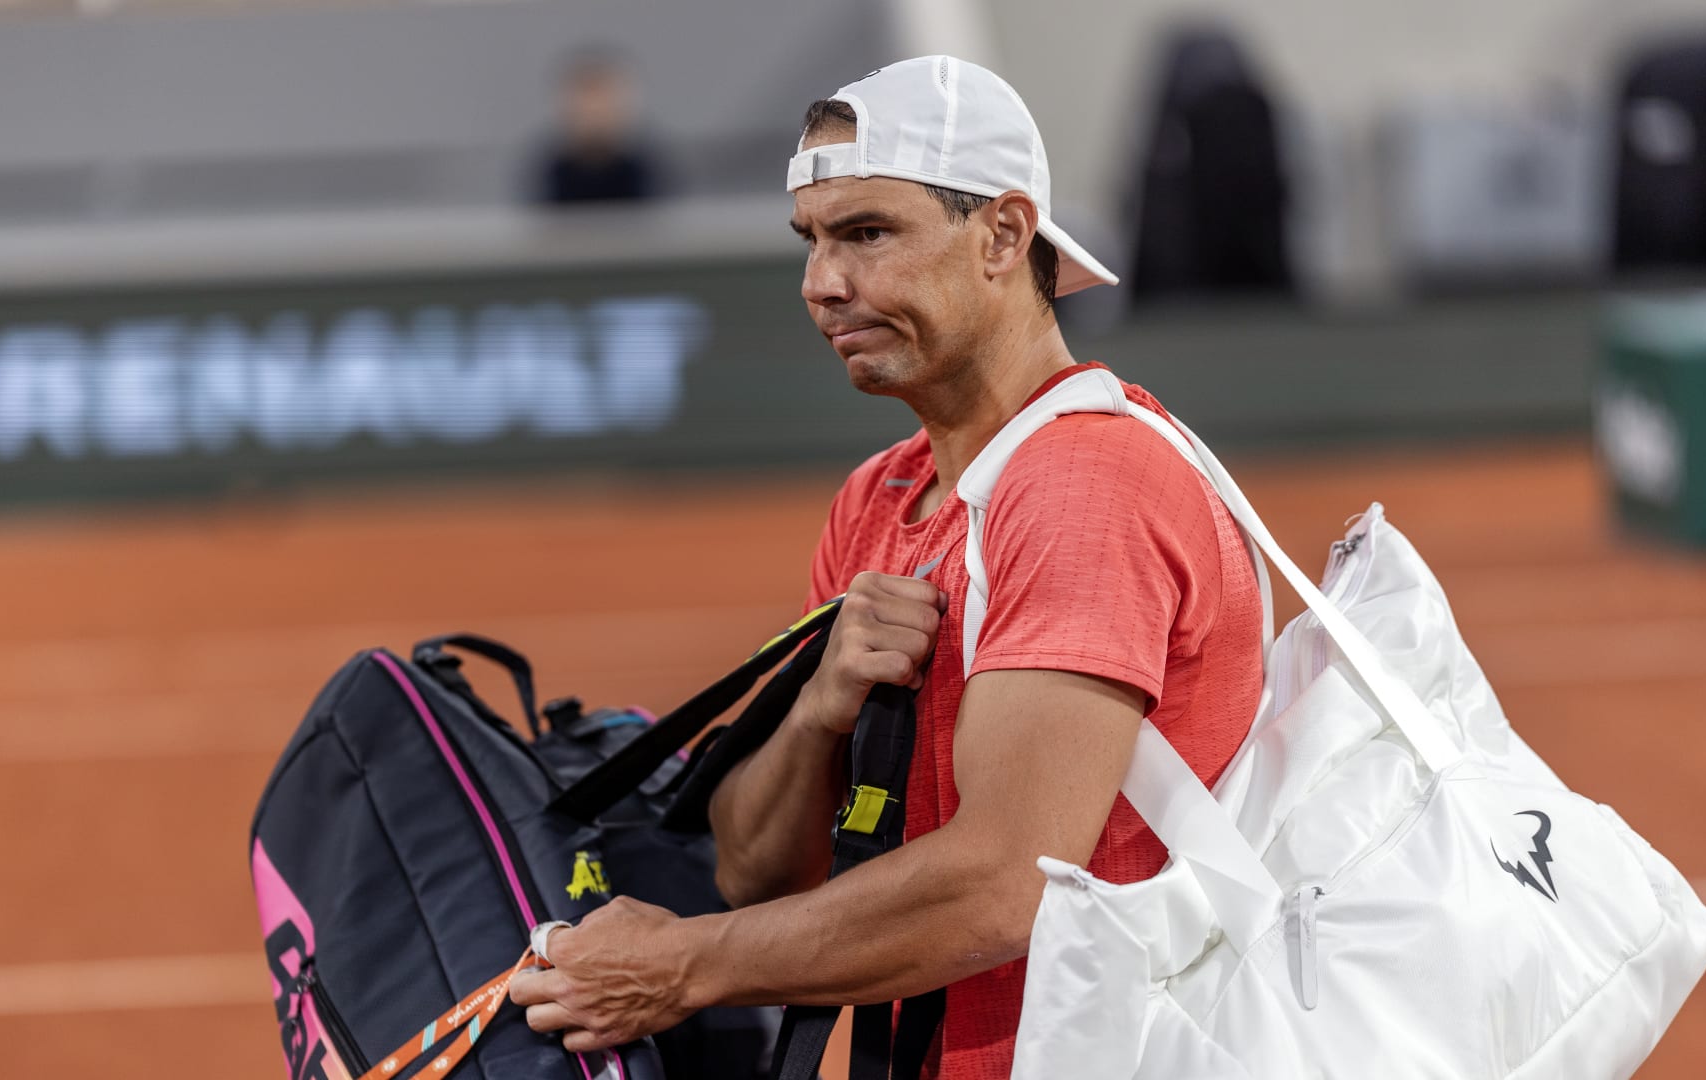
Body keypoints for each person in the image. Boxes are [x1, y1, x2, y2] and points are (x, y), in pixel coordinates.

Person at [510, 55, 1264, 1078]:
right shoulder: (881, 497)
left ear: (1003, 233)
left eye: (869, 234)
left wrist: (685, 967)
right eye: (812, 242)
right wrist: (823, 701)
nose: (823, 284)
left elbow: (1007, 883)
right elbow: (755, 866)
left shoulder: (1087, 485)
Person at [538, 47, 665, 204]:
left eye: (603, 99)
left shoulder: (652, 174)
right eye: (585, 99)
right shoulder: (545, 178)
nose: (594, 109)